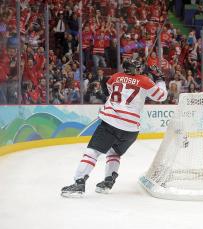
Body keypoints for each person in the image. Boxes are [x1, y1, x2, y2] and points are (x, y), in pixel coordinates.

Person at [61, 60, 168, 197]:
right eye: (138, 67)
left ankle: (79, 183)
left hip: (111, 122)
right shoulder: (145, 80)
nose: (140, 69)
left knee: (92, 152)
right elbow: (162, 96)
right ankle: (108, 181)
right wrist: (160, 79)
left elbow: (112, 91)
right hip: (131, 129)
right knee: (114, 153)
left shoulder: (115, 77)